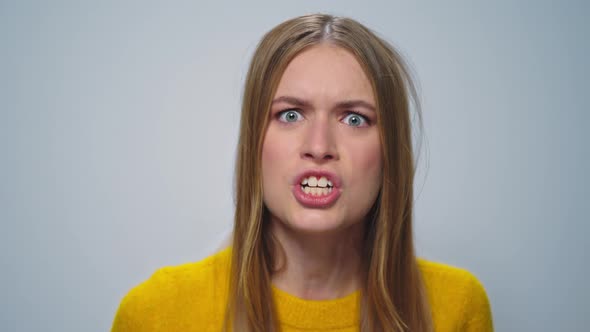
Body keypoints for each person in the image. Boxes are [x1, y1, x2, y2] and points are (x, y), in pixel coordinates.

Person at [111, 14, 493, 332]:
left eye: (355, 118)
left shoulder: (456, 308)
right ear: (254, 143)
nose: (319, 145)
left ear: (391, 150)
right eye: (290, 114)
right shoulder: (156, 314)